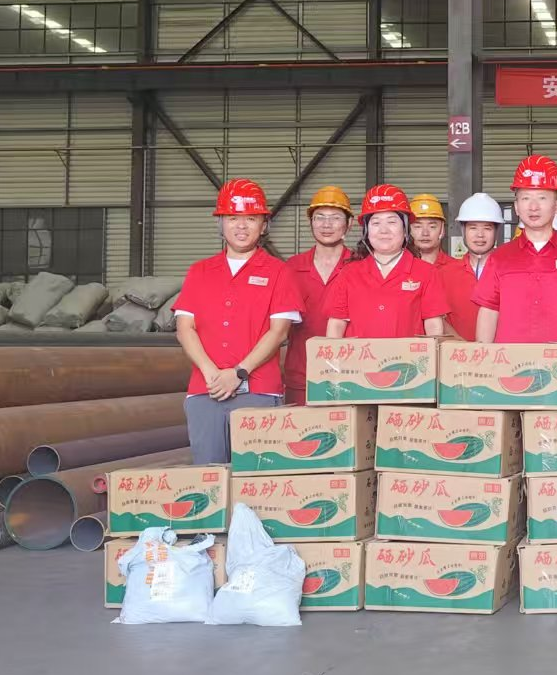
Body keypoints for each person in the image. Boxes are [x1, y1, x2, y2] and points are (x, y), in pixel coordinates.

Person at [171, 179, 303, 465]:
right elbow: (185, 328)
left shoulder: (279, 272)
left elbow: (278, 332)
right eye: (232, 218)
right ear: (220, 224)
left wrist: (239, 373)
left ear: (264, 225)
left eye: (251, 219)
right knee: (209, 475)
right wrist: (211, 373)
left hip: (259, 390)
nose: (241, 226)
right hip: (206, 390)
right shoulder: (200, 271)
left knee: (257, 475)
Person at [474, 156, 557, 401]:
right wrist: (483, 363)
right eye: (525, 198)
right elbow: (489, 311)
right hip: (508, 369)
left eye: (542, 198)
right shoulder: (500, 258)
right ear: (516, 206)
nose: (533, 207)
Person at [322, 185, 448, 339]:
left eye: (392, 222)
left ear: (405, 229)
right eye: (376, 223)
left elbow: (434, 327)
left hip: (407, 356)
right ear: (366, 231)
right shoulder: (349, 273)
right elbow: (336, 326)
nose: (383, 230)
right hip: (360, 355)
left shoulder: (426, 273)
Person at [281, 185, 355, 405]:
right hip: (301, 376)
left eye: (335, 217)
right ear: (311, 223)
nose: (326, 224)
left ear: (349, 223)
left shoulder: (360, 267)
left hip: (350, 376)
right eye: (319, 217)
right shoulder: (291, 268)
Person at [439, 191, 501, 342]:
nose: (480, 235)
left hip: (501, 353)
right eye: (473, 228)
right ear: (463, 230)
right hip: (457, 353)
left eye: (487, 228)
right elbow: (437, 318)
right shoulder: (444, 273)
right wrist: (463, 346)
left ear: (496, 232)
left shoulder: (508, 273)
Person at [407, 193, 453, 266]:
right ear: (407, 230)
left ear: (442, 229)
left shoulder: (456, 268)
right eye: (418, 226)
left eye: (432, 226)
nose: (425, 233)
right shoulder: (397, 267)